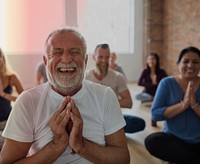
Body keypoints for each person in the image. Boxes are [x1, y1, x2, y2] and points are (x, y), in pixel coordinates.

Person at [0, 28, 130, 164]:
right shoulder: (28, 101)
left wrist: (82, 145)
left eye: (75, 52)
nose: (66, 59)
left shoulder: (105, 96)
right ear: (45, 61)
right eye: (57, 52)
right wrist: (55, 146)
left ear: (85, 60)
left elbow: (123, 159)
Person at [145, 46, 200, 163]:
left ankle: (180, 160)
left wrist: (195, 105)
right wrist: (183, 105)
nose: (190, 65)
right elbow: (155, 114)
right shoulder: (166, 83)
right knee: (152, 141)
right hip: (174, 140)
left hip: (198, 142)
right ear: (178, 64)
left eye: (195, 62)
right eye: (185, 61)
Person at [86, 43, 145, 134]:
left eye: (107, 57)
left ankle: (104, 130)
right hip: (90, 117)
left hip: (111, 118)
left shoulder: (117, 77)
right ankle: (107, 131)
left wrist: (107, 103)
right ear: (94, 57)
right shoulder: (85, 76)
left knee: (139, 123)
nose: (104, 61)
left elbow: (128, 103)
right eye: (100, 57)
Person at [135, 53, 167, 126]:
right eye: (149, 59)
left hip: (158, 93)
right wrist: (152, 84)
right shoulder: (145, 71)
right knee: (137, 96)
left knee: (157, 101)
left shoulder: (162, 71)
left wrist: (157, 83)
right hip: (148, 94)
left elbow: (166, 84)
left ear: (157, 61)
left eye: (153, 59)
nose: (151, 61)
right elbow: (139, 83)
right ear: (147, 61)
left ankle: (154, 117)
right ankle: (152, 99)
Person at [0, 48, 24, 130]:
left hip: (7, 121)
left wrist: (3, 94)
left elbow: (24, 99)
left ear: (2, 58)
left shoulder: (12, 77)